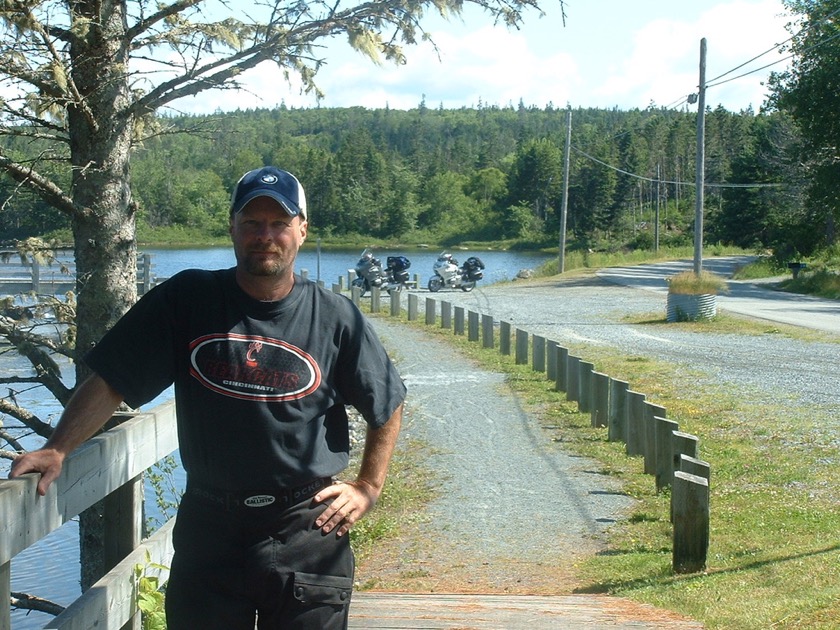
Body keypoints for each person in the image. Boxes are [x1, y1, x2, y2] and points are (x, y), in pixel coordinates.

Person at [9, 166, 406, 629]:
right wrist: (59, 447)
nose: (265, 235)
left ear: (302, 229)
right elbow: (113, 380)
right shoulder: (187, 300)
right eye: (252, 222)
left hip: (309, 526)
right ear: (232, 228)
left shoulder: (337, 317)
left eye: (279, 223)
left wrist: (368, 487)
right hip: (211, 527)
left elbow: (387, 401)